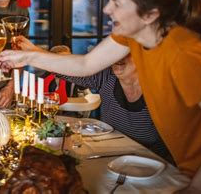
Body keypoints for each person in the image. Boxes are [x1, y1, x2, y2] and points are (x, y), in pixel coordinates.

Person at [0, 0, 201, 193]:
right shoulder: (133, 34)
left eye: (116, 3)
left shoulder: (185, 53)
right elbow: (86, 65)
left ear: (149, 14)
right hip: (182, 168)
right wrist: (27, 57)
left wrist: (199, 187)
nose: (107, 9)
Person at [17, 37, 173, 161]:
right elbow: (66, 68)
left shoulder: (159, 90)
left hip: (150, 165)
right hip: (109, 157)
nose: (118, 58)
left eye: (127, 52)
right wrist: (32, 52)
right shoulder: (106, 77)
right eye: (116, 52)